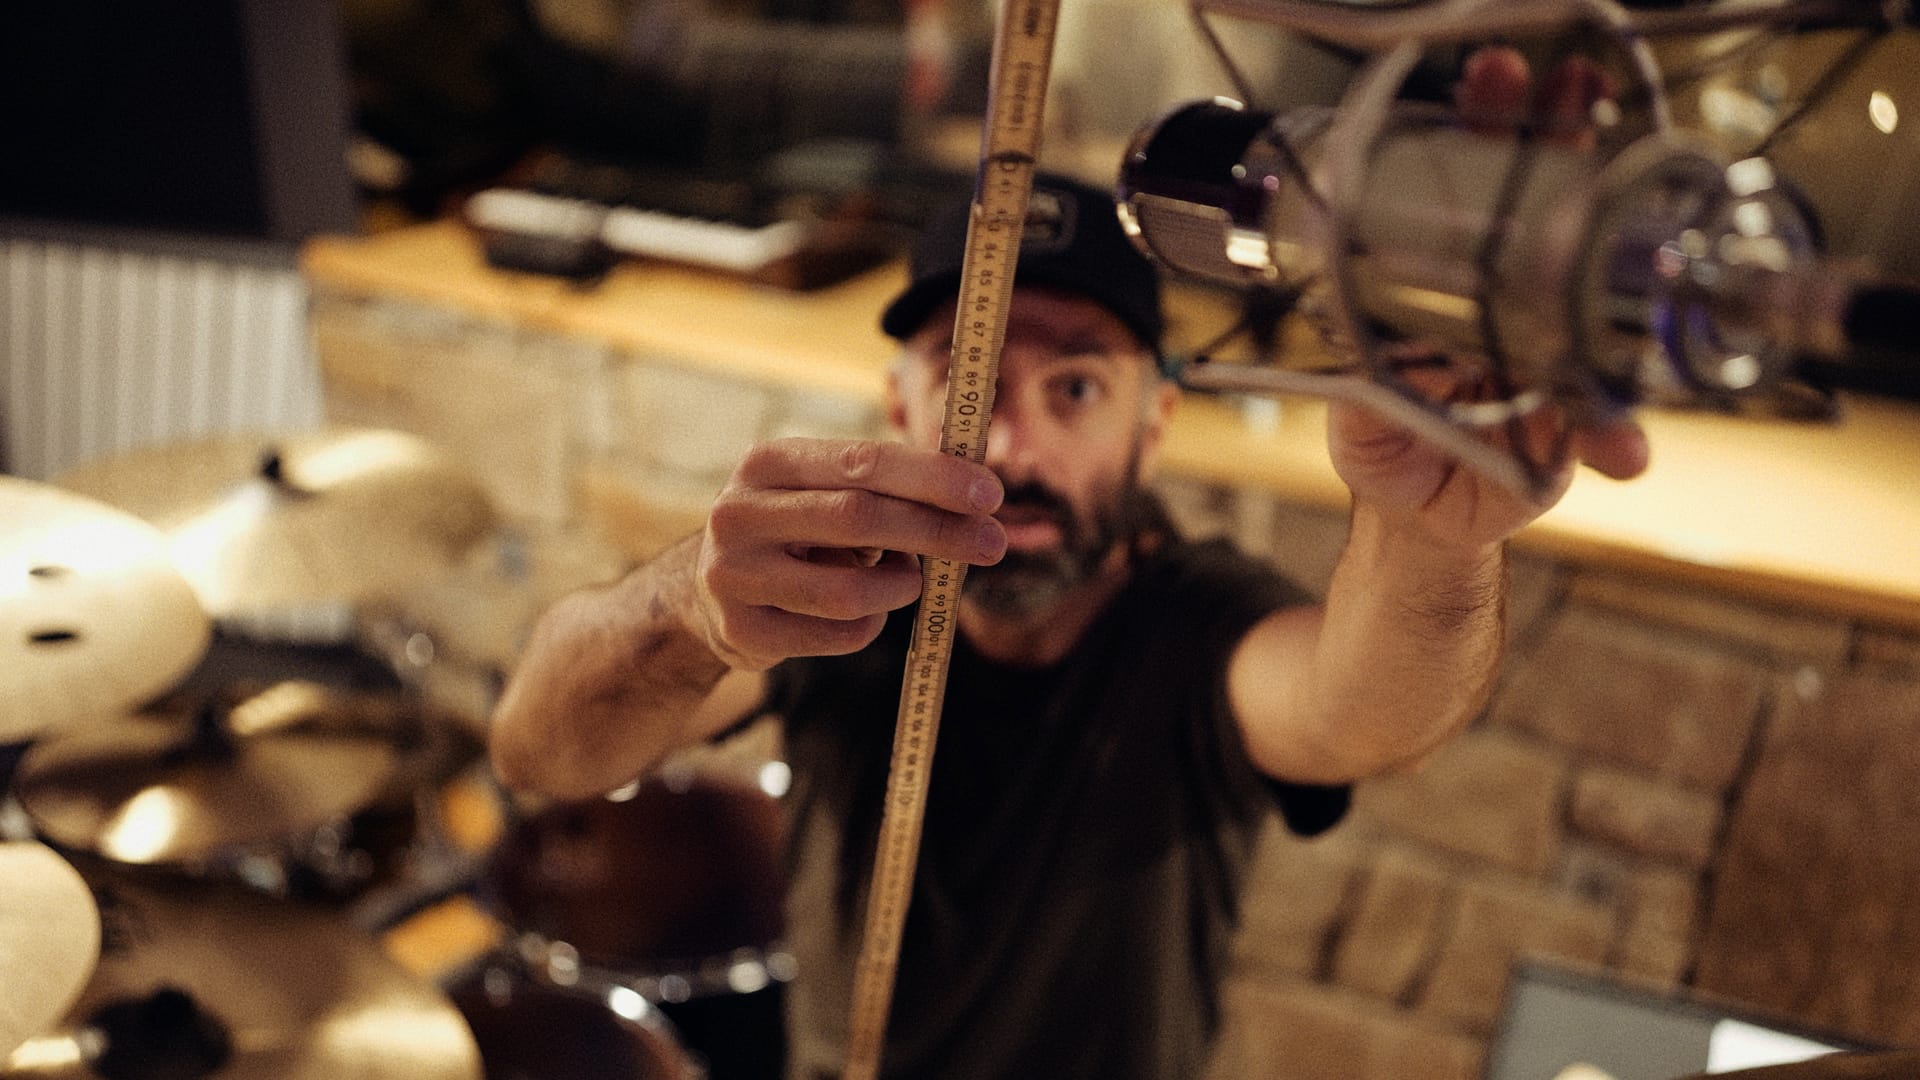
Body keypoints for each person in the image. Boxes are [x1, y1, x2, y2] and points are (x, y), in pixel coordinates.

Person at [489, 49, 1650, 1078]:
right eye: (968, 379)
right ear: (897, 403)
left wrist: (1432, 540)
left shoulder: (1196, 625)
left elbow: (1363, 709)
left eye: (1076, 387)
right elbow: (542, 753)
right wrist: (685, 609)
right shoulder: (831, 591)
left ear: (1154, 424)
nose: (1009, 445)